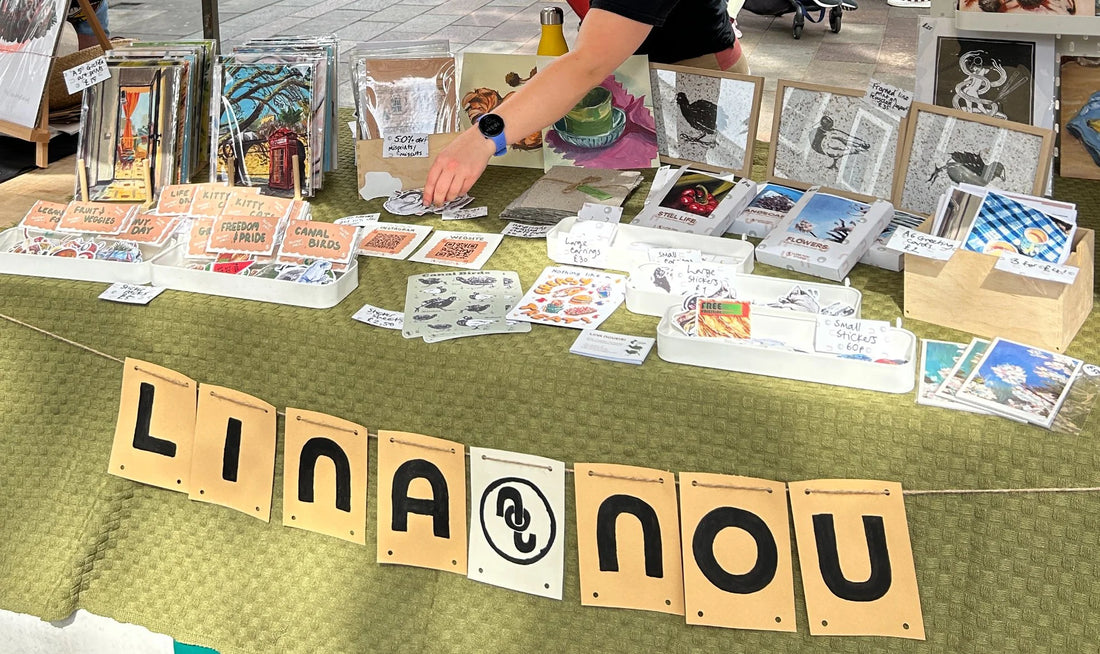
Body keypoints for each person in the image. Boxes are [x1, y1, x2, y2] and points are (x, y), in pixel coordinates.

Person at [423, 2, 743, 207]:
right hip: (620, 70)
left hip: (692, 80)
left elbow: (588, 63)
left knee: (686, 212)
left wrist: (484, 136)